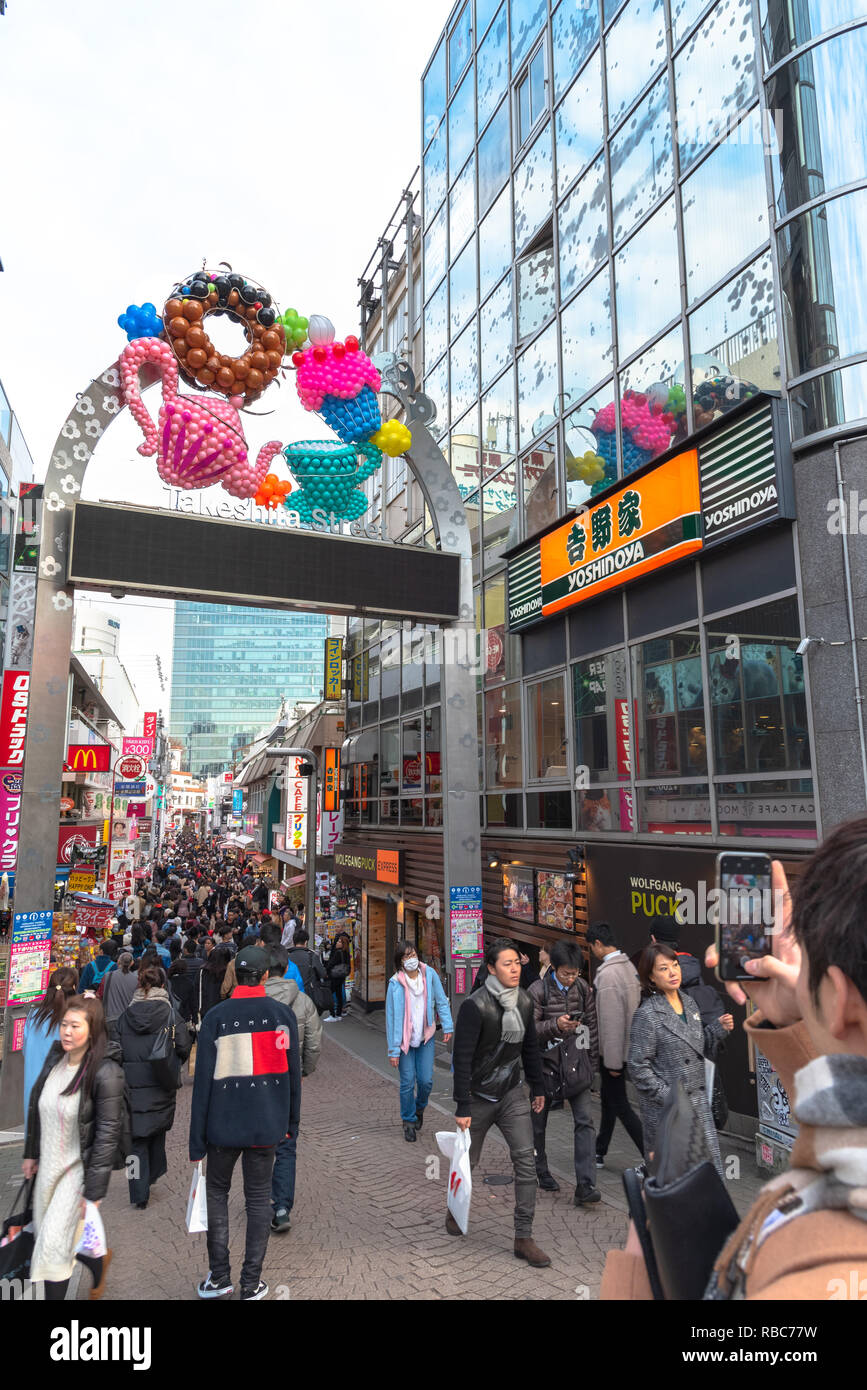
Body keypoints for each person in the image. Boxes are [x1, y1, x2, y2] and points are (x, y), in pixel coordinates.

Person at [604, 826, 867, 1300]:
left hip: (696, 1108)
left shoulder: (809, 1264)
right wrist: (794, 1020)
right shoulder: (843, 1159)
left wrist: (641, 1275)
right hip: (677, 1111)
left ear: (842, 1000)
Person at [189, 946, 301, 1300]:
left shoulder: (216, 1018)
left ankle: (219, 1276)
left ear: (236, 975)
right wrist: (290, 1125)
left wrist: (196, 1141)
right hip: (267, 1124)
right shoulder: (282, 1016)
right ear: (266, 976)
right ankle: (251, 1283)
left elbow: (203, 1083)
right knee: (258, 1199)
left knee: (218, 1194)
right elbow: (292, 1077)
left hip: (221, 1125)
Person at [451, 938, 551, 1267]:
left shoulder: (524, 1001)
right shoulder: (474, 1006)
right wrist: (462, 1105)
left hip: (511, 1093)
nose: (514, 969)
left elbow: (530, 1047)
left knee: (526, 1161)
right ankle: (454, 1208)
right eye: (506, 964)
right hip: (478, 1097)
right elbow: (462, 1058)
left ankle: (523, 1237)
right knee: (468, 1162)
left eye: (518, 963)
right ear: (491, 968)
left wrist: (537, 1086)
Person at [22, 995, 127, 1300]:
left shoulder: (106, 1073)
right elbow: (36, 1106)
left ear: (92, 1030)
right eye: (64, 1025)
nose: (66, 1032)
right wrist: (30, 1152)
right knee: (49, 1238)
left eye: (75, 1026)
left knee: (53, 1247)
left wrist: (93, 1193)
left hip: (76, 1173)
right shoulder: (55, 1059)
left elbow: (108, 1134)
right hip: (47, 1170)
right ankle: (97, 1259)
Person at [627, 943, 733, 1175]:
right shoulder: (647, 1014)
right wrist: (671, 1097)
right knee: (677, 1186)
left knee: (708, 1180)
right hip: (670, 1113)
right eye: (663, 968)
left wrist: (717, 1029)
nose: (673, 972)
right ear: (651, 977)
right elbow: (637, 1067)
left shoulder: (689, 1003)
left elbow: (692, 1047)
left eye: (675, 965)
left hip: (698, 1107)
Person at [527, 939, 601, 1204]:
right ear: (553, 967)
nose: (571, 978)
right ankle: (540, 1170)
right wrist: (556, 1025)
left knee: (585, 1122)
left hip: (577, 1065)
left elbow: (592, 1028)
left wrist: (592, 1068)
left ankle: (586, 1184)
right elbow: (530, 1032)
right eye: (566, 973)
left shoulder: (583, 989)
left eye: (575, 973)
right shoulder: (537, 991)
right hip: (546, 1066)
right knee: (539, 1123)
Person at [116, 961, 191, 1209]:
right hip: (161, 1083)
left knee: (135, 1139)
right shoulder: (169, 1015)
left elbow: (117, 1049)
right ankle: (151, 1175)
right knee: (156, 1130)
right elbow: (182, 1044)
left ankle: (138, 1189)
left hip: (131, 1085)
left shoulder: (126, 1017)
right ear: (162, 985)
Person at [263, 945, 322, 1232]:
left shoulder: (255, 1001)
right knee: (286, 1144)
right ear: (287, 969)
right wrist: (303, 1071)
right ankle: (281, 1206)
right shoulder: (303, 1002)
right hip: (288, 1082)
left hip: (257, 1082)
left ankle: (258, 1200)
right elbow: (313, 1044)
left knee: (259, 1144)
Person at [585, 922, 644, 1167]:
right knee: (610, 1101)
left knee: (620, 1105)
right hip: (628, 1047)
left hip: (614, 1052)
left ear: (598, 943)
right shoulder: (629, 967)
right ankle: (599, 1150)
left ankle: (651, 1153)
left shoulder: (608, 974)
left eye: (591, 947)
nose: (592, 952)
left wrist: (611, 1062)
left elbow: (610, 1022)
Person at [386, 941, 453, 1142]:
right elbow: (391, 1017)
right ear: (399, 961)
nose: (411, 959)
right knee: (407, 1082)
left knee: (425, 1080)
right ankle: (408, 1121)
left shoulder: (429, 974)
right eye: (406, 956)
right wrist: (393, 1050)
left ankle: (419, 1108)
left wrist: (447, 1025)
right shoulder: (395, 983)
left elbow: (441, 1000)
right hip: (404, 1041)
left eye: (413, 954)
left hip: (426, 1036)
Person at [22, 968, 79, 1132]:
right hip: (62, 1097)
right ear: (74, 988)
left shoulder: (33, 1016)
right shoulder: (74, 1020)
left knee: (35, 1150)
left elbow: (26, 1051)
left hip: (33, 1095)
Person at [102, 951, 140, 1037]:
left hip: (110, 1018)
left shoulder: (108, 976)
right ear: (132, 963)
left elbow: (100, 994)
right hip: (128, 1020)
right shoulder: (137, 979)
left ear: (118, 961)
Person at [287, 927, 328, 1000]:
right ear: (306, 942)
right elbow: (323, 974)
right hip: (309, 995)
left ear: (293, 942)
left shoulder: (287, 957)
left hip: (291, 995)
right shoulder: (312, 956)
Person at [324, 931, 352, 1019]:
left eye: (339, 942)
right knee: (339, 994)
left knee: (329, 994)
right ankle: (339, 1013)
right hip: (341, 976)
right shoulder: (346, 953)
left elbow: (330, 964)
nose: (337, 943)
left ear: (343, 944)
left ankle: (332, 1014)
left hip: (335, 976)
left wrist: (326, 972)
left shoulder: (338, 953)